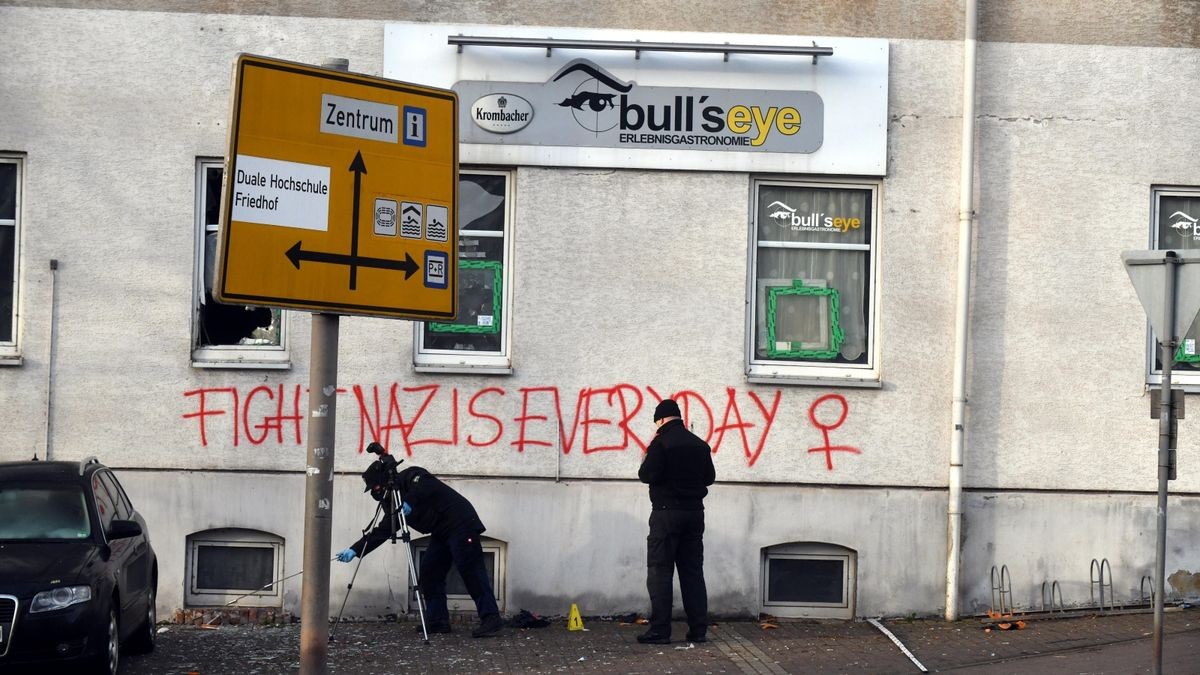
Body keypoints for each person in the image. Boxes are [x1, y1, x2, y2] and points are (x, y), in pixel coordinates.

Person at [336, 455, 503, 638]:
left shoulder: (410, 477)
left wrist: (409, 501)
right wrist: (355, 550)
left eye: (376, 487)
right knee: (430, 571)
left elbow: (426, 486)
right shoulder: (391, 500)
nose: (376, 492)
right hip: (440, 530)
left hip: (459, 522)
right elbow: (383, 530)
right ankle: (437, 620)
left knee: (470, 569)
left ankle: (491, 618)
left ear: (384, 481)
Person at [636, 398, 716, 645]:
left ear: (660, 420)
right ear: (679, 418)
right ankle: (698, 630)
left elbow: (646, 475)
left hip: (666, 513)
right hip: (694, 514)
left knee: (660, 572)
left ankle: (660, 631)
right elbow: (709, 478)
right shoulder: (700, 445)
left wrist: (645, 457)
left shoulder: (660, 444)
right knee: (692, 572)